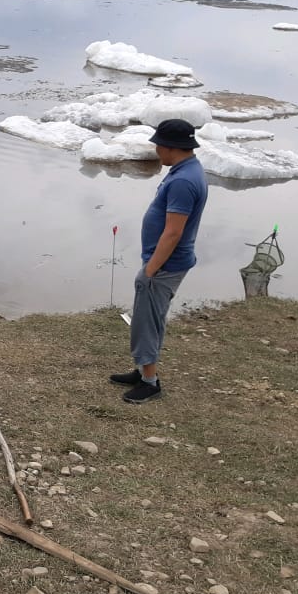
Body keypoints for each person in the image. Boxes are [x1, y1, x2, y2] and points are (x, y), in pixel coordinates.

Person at [111, 119, 208, 404]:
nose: (156, 150)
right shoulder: (187, 170)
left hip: (164, 265)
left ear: (170, 147)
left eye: (158, 145)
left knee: (146, 321)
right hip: (165, 261)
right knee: (150, 317)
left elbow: (174, 231)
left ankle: (150, 383)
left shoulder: (182, 181)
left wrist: (150, 270)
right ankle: (143, 372)